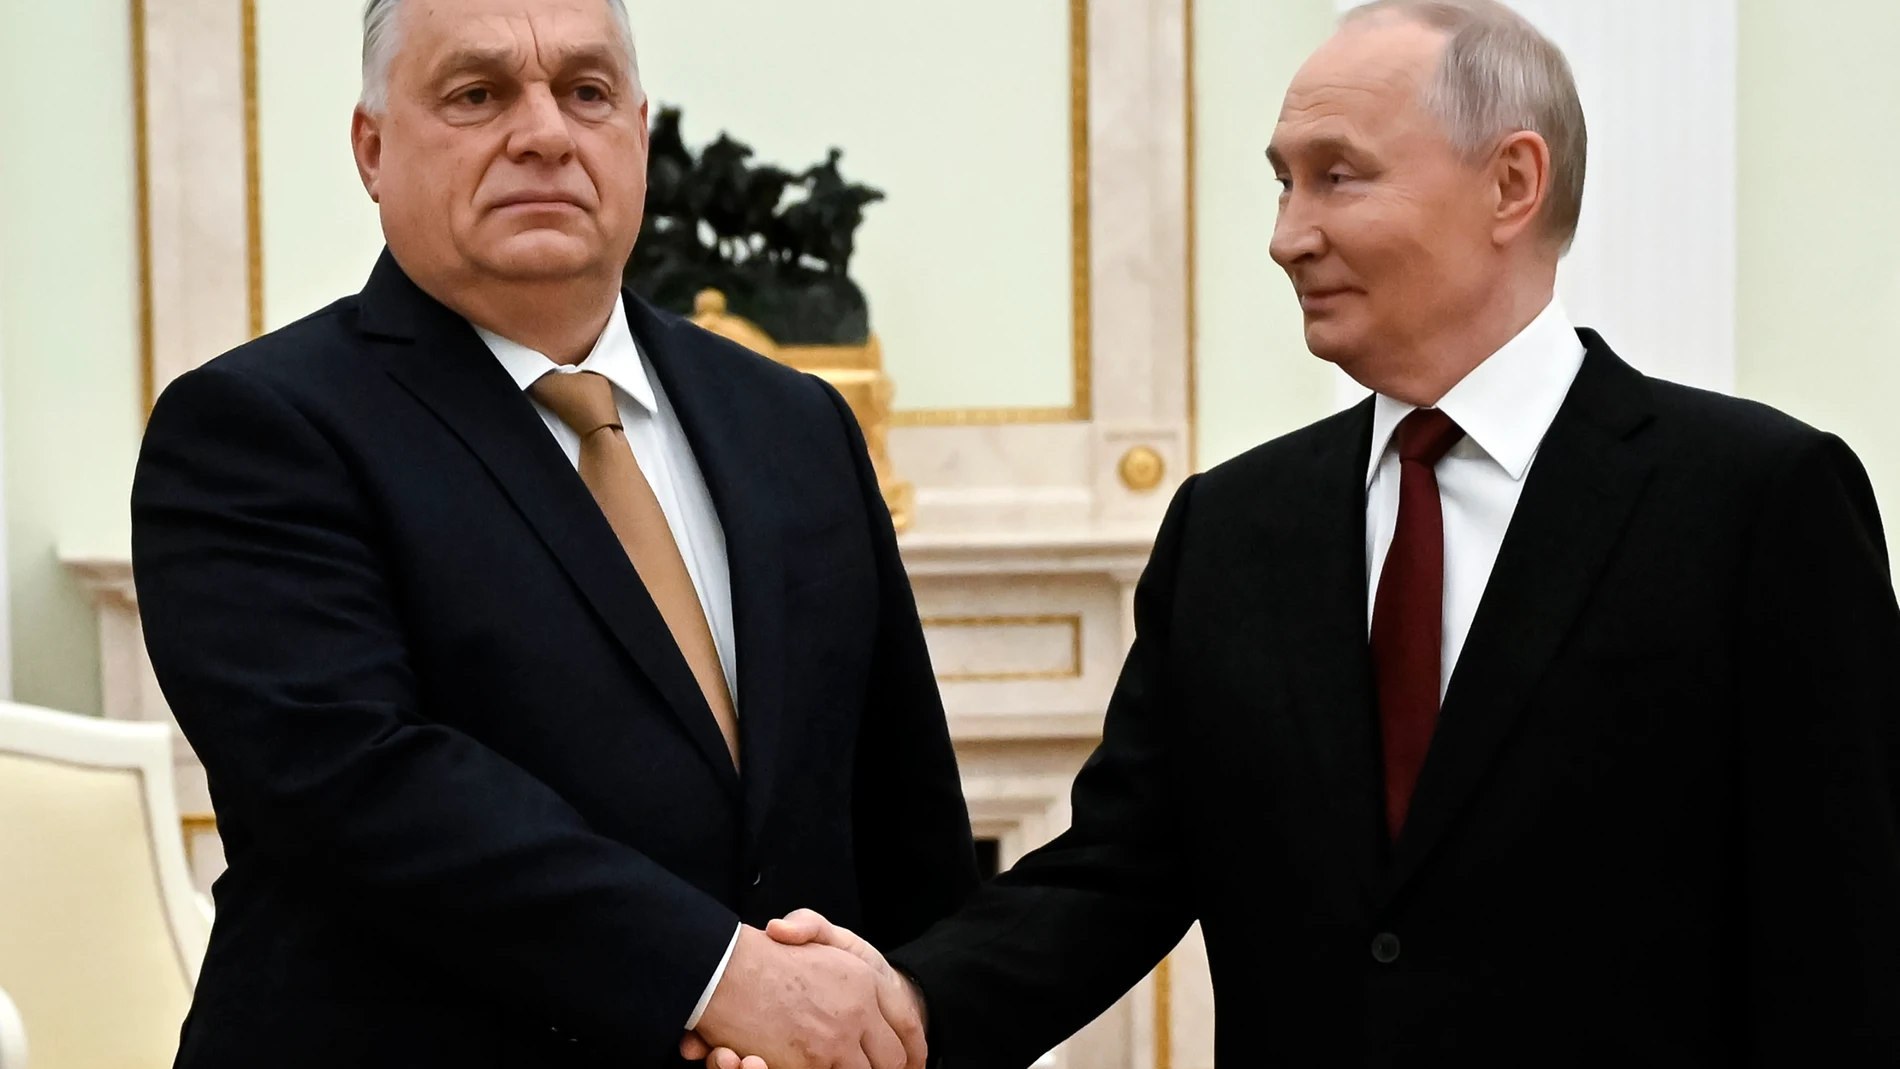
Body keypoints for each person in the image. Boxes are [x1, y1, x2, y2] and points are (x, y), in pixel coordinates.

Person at [693, 1, 1900, 1066]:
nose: (1286, 233)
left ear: (1511, 183)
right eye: (1282, 178)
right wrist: (901, 1004)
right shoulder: (1230, 529)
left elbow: (1842, 946)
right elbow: (1114, 874)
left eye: (1338, 175)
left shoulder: (1757, 501)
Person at [130, 0, 976, 1066]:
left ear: (639, 134)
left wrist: (911, 1013)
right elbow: (362, 787)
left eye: (586, 91)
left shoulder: (794, 422)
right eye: (478, 95)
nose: (543, 133)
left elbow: (905, 821)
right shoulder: (257, 431)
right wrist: (726, 979)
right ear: (372, 148)